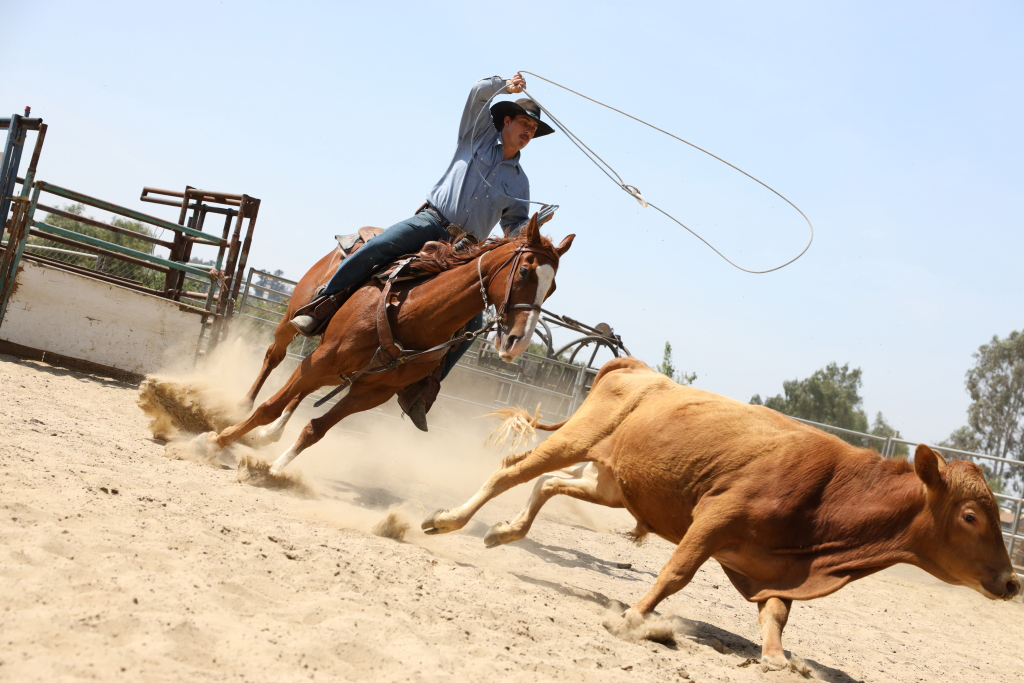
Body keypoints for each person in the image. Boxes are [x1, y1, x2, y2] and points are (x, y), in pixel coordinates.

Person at [290, 72, 555, 430]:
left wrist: (531, 233)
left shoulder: (519, 181)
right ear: (506, 120)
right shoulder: (475, 136)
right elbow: (478, 95)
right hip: (433, 222)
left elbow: (514, 226)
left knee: (471, 323)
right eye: (524, 123)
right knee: (380, 246)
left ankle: (422, 386)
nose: (528, 132)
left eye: (533, 130)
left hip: (467, 248)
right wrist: (502, 85)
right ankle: (322, 303)